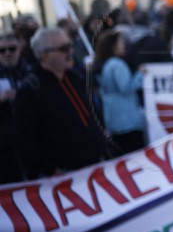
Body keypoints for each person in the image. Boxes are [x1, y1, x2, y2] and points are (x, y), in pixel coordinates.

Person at [13, 27, 108, 178]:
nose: (70, 51)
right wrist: (50, 170)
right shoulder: (31, 89)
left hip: (95, 164)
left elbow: (90, 109)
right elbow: (24, 142)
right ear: (45, 55)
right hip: (64, 176)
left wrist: (101, 132)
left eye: (70, 45)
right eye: (64, 48)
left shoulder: (73, 76)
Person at [95, 29, 146, 153]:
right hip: (127, 121)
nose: (124, 44)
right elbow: (126, 88)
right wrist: (140, 75)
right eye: (120, 42)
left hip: (114, 120)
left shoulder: (105, 65)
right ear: (113, 46)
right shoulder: (117, 65)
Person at [0, 32, 32, 184]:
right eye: (2, 50)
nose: (7, 53)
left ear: (19, 49)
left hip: (33, 140)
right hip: (6, 147)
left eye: (11, 49)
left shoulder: (32, 71)